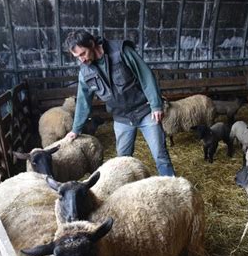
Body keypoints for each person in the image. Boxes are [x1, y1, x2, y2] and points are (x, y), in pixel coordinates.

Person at [64, 30, 176, 176]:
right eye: (77, 57)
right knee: (122, 160)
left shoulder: (121, 51)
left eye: (83, 53)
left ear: (91, 44)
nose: (82, 60)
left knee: (160, 155)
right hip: (121, 117)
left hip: (144, 111)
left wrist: (155, 105)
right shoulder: (85, 71)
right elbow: (83, 100)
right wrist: (76, 129)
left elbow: (145, 75)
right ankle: (125, 194)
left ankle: (171, 188)